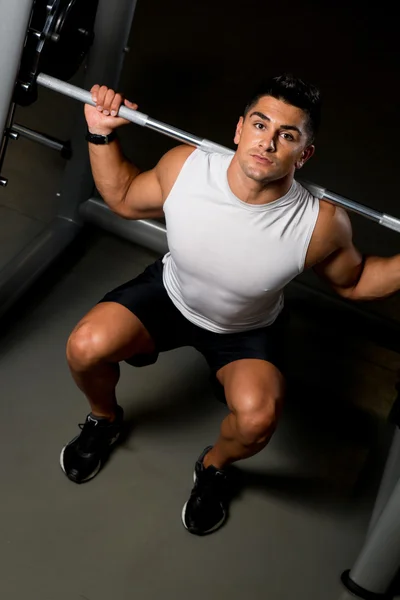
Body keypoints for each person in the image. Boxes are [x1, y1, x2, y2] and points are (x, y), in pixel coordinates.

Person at [60, 74, 399, 536]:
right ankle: (105, 418)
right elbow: (121, 197)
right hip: (169, 297)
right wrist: (100, 130)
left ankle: (215, 466)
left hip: (246, 331)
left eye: (288, 135)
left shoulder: (320, 224)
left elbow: (357, 281)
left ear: (305, 154)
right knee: (84, 347)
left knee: (258, 419)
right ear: (239, 130)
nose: (268, 142)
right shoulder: (186, 167)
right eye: (260, 125)